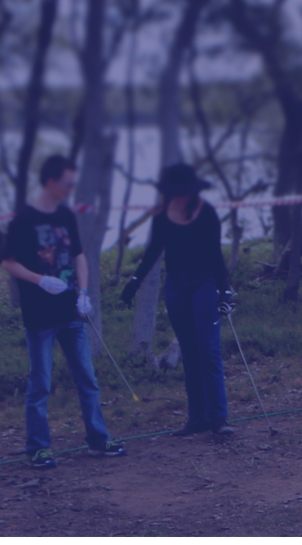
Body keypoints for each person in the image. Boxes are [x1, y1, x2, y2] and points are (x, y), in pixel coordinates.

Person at [1, 156, 126, 468]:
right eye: (68, 183)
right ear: (51, 182)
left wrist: (83, 291)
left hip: (71, 313)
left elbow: (79, 255)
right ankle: (38, 448)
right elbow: (8, 261)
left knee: (87, 378)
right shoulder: (24, 220)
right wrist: (39, 279)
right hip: (40, 318)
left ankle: (98, 439)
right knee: (40, 383)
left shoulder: (66, 216)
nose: (71, 188)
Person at [120, 164, 236, 436]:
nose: (179, 196)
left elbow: (215, 252)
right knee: (189, 351)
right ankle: (197, 418)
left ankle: (219, 418)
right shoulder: (162, 216)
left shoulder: (205, 213)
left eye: (184, 192)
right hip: (175, 283)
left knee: (209, 349)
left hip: (203, 282)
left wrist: (225, 289)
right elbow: (153, 250)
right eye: (175, 192)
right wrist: (134, 282)